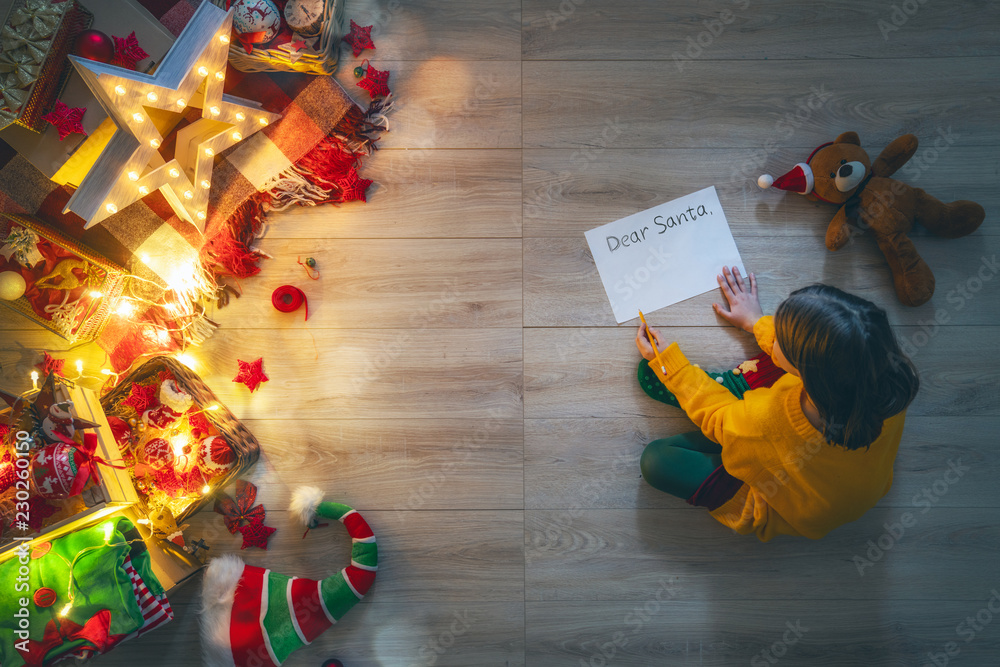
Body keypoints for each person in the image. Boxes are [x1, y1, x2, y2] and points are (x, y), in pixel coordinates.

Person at [635, 266, 919, 541]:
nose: (774, 334)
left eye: (779, 337)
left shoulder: (767, 421)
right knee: (758, 407)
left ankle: (715, 389)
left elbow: (718, 418)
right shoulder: (889, 378)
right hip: (856, 487)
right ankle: (732, 394)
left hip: (781, 505)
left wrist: (672, 368)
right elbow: (828, 345)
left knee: (656, 460)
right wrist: (755, 321)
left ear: (806, 373)